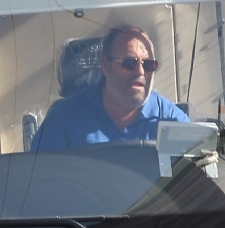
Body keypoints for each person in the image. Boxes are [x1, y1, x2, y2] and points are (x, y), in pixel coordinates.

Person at [31, 25, 190, 151]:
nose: (141, 72)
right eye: (129, 63)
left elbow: (196, 183)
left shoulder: (172, 120)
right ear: (105, 65)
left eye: (149, 65)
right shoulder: (63, 118)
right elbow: (38, 180)